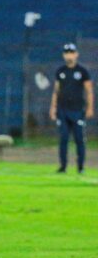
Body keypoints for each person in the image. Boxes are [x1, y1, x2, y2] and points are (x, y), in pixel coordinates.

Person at [49, 43, 93, 173]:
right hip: (62, 110)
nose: (69, 55)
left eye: (72, 52)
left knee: (79, 139)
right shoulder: (60, 71)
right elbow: (56, 91)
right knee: (63, 138)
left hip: (77, 110)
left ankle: (80, 167)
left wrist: (90, 108)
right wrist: (53, 107)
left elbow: (89, 90)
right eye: (67, 53)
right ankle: (63, 167)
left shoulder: (82, 71)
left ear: (76, 54)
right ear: (64, 55)